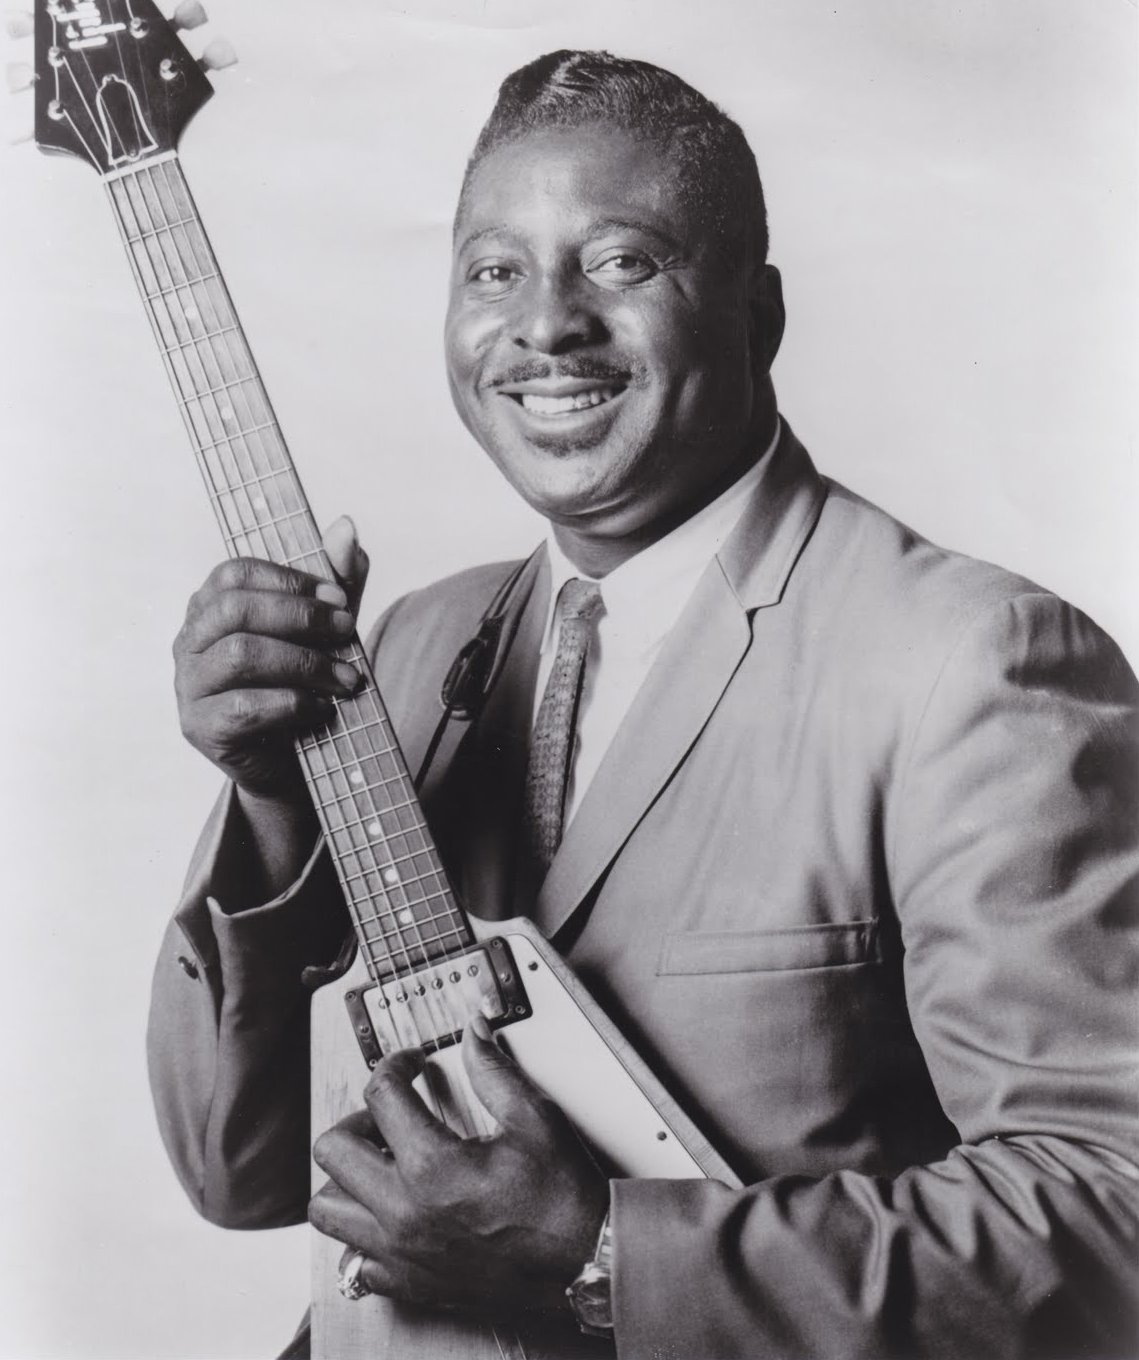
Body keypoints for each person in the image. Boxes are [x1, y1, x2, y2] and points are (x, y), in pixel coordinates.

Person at [148, 50, 1139, 1359]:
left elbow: (1109, 1222)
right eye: (494, 271)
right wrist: (275, 803)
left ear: (758, 314)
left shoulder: (970, 662)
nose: (546, 325)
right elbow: (247, 1172)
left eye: (622, 262)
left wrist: (601, 1255)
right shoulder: (410, 645)